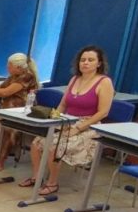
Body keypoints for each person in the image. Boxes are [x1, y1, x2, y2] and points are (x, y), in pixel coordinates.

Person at [27, 46, 114, 195]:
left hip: (89, 125)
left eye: (90, 60)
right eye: (83, 60)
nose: (85, 63)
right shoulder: (75, 79)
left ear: (99, 63)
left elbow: (103, 112)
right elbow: (63, 105)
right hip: (67, 121)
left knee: (54, 147)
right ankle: (36, 177)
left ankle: (52, 183)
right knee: (37, 142)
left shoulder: (104, 82)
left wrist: (78, 128)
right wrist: (53, 120)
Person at [0, 53, 40, 169]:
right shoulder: (13, 76)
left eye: (9, 66)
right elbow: (2, 87)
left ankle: (1, 160)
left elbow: (6, 92)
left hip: (20, 113)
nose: (7, 68)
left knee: (7, 131)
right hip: (7, 111)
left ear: (18, 67)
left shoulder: (27, 77)